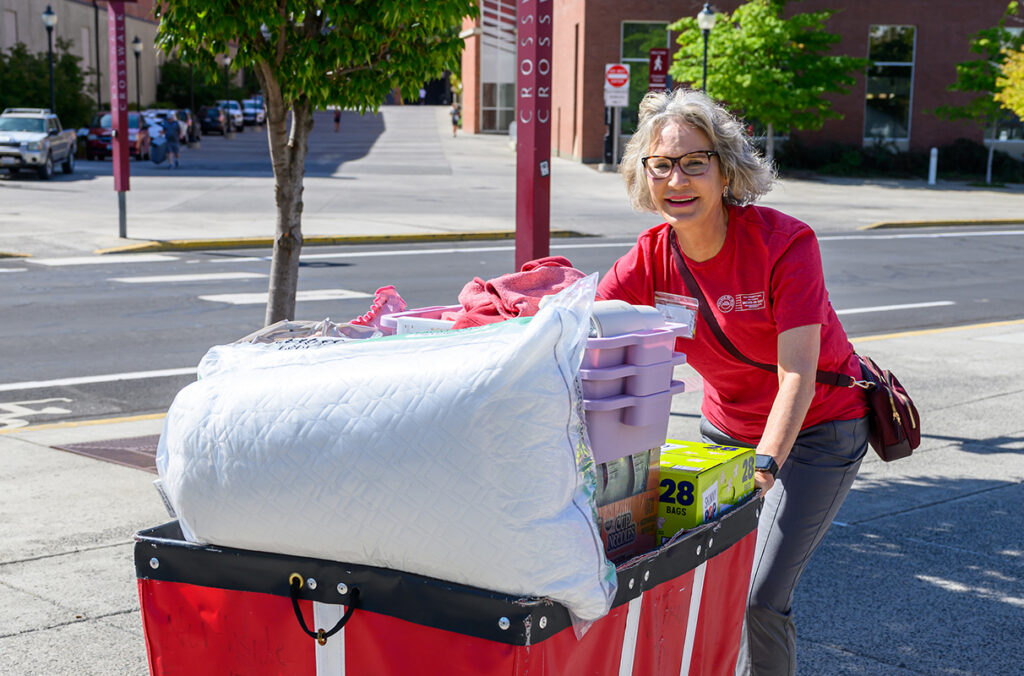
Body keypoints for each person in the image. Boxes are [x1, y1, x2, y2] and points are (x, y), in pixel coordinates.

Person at [596, 88, 869, 676]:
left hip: (818, 430)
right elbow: (582, 330)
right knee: (691, 581)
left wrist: (766, 465)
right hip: (725, 433)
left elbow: (796, 371)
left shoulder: (785, 244)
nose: (678, 180)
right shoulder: (650, 257)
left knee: (756, 596)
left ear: (726, 170)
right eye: (662, 165)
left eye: (695, 163)